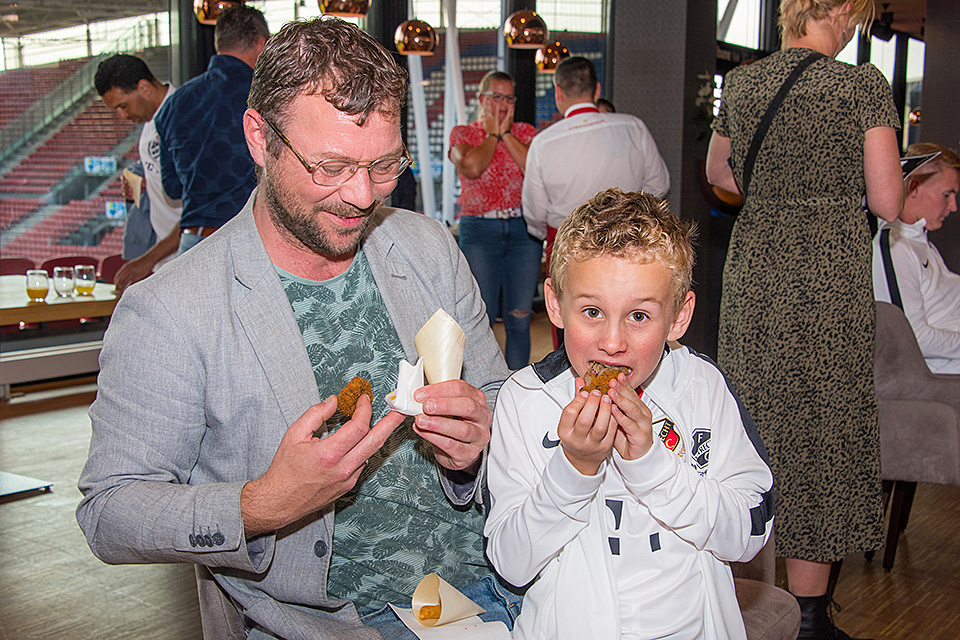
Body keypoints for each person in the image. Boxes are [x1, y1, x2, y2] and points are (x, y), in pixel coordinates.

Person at [77, 17, 520, 640]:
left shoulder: (424, 245)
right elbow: (110, 512)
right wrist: (264, 503)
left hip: (499, 582)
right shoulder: (171, 309)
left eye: (384, 165)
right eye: (332, 166)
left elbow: (500, 396)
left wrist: (483, 428)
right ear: (260, 139)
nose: (362, 196)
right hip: (339, 621)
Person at [485, 188, 774, 640]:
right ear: (557, 306)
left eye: (639, 316)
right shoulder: (525, 399)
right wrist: (574, 467)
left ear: (678, 317)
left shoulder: (703, 387)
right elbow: (511, 562)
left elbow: (750, 532)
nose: (613, 342)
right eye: (593, 311)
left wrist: (653, 465)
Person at [705, 1, 904, 637]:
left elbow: (716, 174)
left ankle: (750, 608)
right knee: (821, 436)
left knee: (755, 425)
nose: (857, 28)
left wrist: (774, 189)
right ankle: (810, 619)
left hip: (757, 271)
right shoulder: (860, 85)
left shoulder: (743, 82)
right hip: (827, 278)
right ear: (842, 9)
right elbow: (888, 200)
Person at [522, 56, 670, 258]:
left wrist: (546, 237)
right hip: (626, 241)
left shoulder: (543, 143)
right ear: (597, 89)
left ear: (558, 92)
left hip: (567, 243)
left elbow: (535, 214)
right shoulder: (633, 127)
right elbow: (659, 186)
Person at [154, 5, 268, 255]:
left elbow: (172, 188)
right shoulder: (265, 99)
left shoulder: (174, 104)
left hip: (190, 243)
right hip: (244, 240)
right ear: (262, 45)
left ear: (219, 42)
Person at [449, 71, 541, 370]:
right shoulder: (463, 133)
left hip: (522, 232)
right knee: (479, 316)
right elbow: (473, 166)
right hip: (480, 230)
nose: (502, 104)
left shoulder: (527, 134)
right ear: (482, 99)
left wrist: (506, 135)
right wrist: (491, 135)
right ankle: (482, 390)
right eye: (496, 96)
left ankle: (518, 390)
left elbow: (533, 167)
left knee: (519, 316)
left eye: (508, 97)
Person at [95, 53, 182, 292]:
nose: (121, 116)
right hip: (169, 260)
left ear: (143, 87)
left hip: (192, 258)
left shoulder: (183, 116)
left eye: (123, 105)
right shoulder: (149, 123)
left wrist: (147, 259)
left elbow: (198, 209)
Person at [873, 142, 960, 374]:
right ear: (914, 188)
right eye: (946, 194)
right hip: (941, 375)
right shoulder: (895, 246)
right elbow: (914, 336)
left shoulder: (919, 243)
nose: (953, 207)